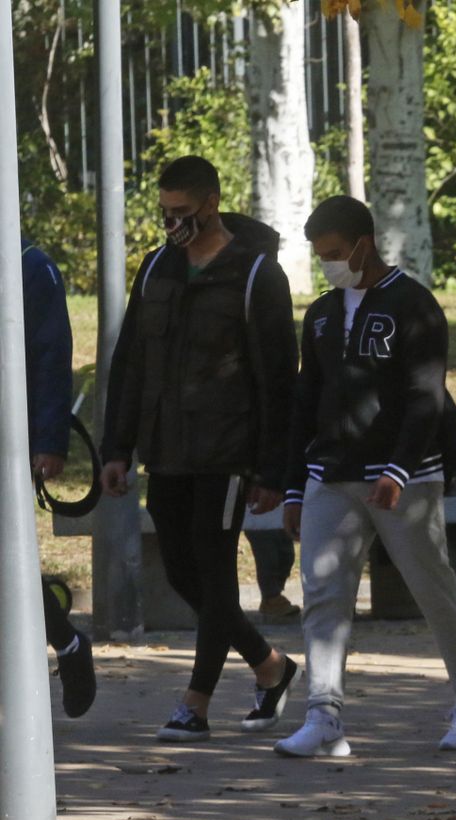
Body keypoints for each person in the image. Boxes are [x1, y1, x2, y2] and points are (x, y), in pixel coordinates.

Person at [275, 195, 456, 758]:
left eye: (333, 253)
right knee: (323, 593)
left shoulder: (413, 305)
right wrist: (295, 486)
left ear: (361, 245)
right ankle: (324, 717)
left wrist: (399, 470)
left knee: (432, 587)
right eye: (320, 255)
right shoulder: (321, 314)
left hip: (405, 477)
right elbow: (304, 400)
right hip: (331, 475)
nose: (327, 263)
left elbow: (426, 397)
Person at [99, 156, 298, 743]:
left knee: (213, 570)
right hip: (166, 448)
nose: (172, 223)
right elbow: (131, 359)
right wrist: (117, 447)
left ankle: (195, 704)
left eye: (181, 212)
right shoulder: (157, 267)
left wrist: (271, 469)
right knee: (187, 574)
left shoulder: (257, 274)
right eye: (164, 212)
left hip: (228, 452)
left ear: (211, 203)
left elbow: (279, 379)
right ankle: (270, 666)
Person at [18, 237, 95, 717]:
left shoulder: (32, 269)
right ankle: (66, 644)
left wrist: (49, 440)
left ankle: (67, 645)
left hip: (12, 439)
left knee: (11, 566)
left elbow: (51, 357)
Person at [246, 529, 299, 619]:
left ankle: (273, 597)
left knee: (287, 554)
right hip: (255, 518)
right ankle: (271, 597)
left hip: (277, 518)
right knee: (267, 552)